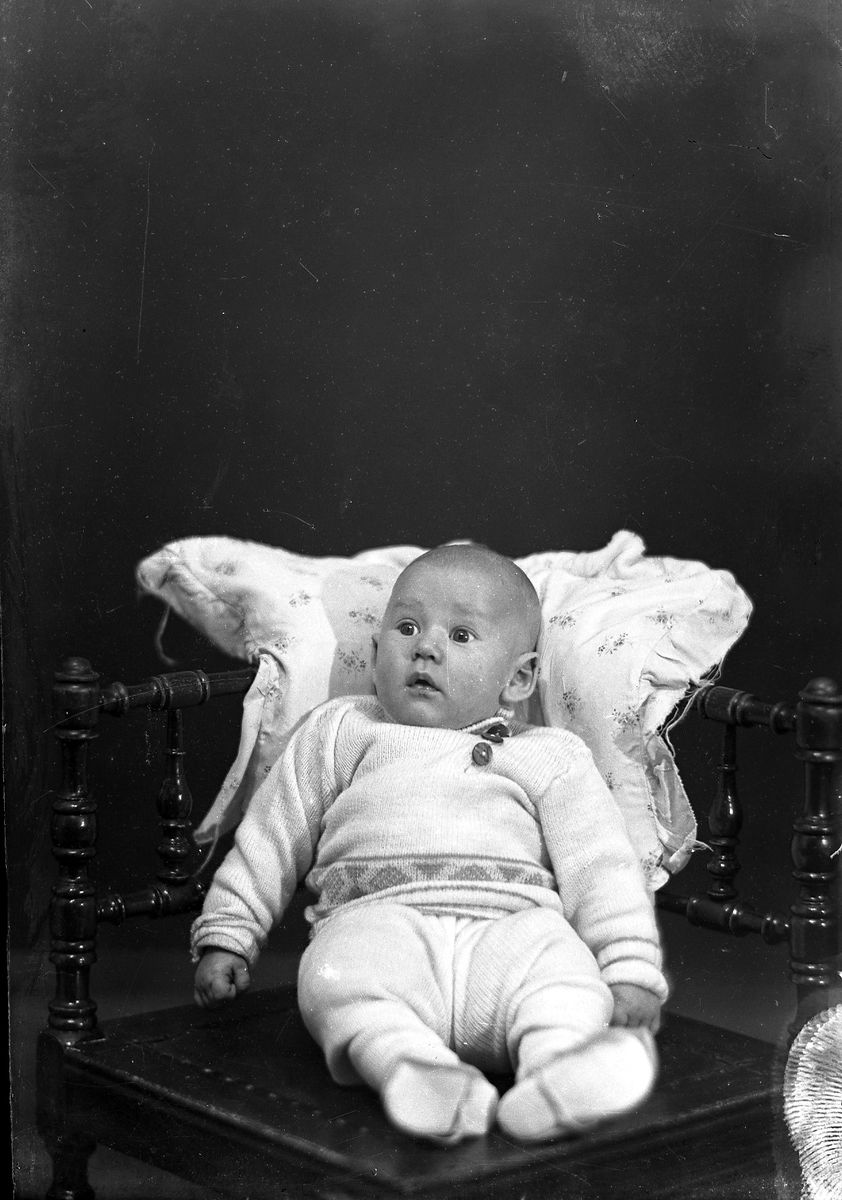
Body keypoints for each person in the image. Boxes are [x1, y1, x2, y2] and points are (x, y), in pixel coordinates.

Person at [191, 544, 667, 1145]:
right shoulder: (342, 730)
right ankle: (411, 1068)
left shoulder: (549, 755)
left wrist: (629, 969)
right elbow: (270, 838)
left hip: (512, 932)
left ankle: (559, 1069)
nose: (426, 648)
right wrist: (228, 933)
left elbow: (601, 867)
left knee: (565, 974)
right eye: (408, 627)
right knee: (334, 975)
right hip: (381, 926)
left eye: (462, 635)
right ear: (375, 653)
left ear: (518, 679)